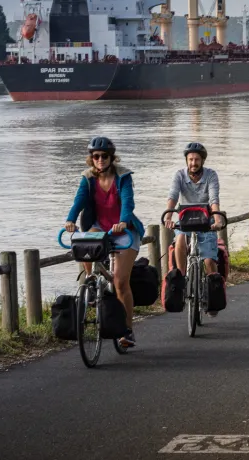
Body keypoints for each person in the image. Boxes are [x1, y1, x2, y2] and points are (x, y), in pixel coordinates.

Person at [64, 136, 144, 348]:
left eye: (104, 156)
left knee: (119, 281)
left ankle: (127, 330)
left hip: (124, 230)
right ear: (91, 158)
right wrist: (70, 219)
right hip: (100, 227)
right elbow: (79, 200)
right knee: (85, 239)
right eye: (96, 156)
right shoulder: (88, 178)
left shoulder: (123, 177)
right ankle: (90, 280)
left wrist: (124, 221)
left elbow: (128, 201)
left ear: (111, 157)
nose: (100, 159)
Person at [164, 142, 224, 314]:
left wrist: (217, 218)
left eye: (197, 159)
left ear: (202, 160)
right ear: (186, 160)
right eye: (190, 159)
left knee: (209, 261)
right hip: (185, 220)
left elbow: (214, 198)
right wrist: (168, 216)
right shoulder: (179, 175)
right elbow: (173, 196)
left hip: (206, 221)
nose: (193, 163)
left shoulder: (211, 175)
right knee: (180, 238)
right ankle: (182, 279)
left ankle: (213, 298)